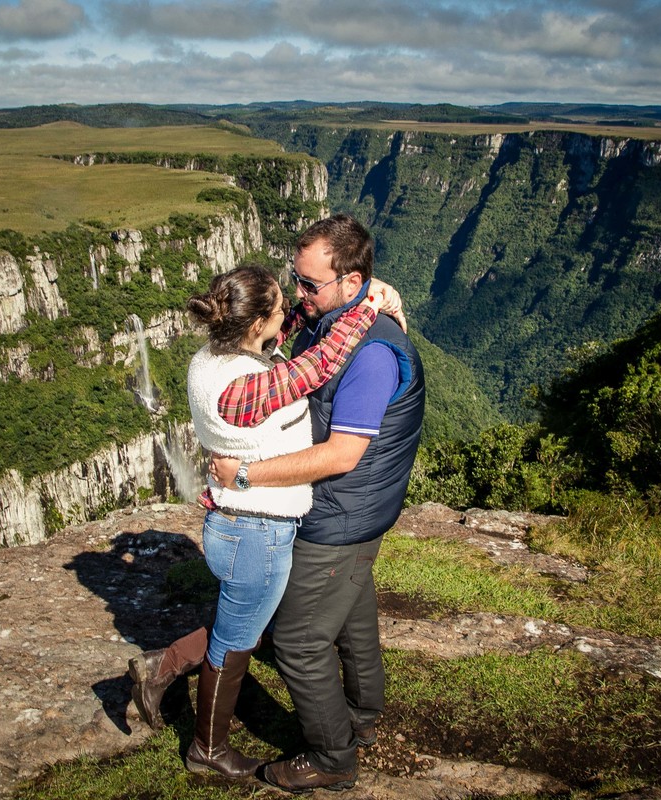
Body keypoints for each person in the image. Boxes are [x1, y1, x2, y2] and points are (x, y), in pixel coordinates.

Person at [126, 263, 399, 779]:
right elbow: (318, 366)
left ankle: (160, 668)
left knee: (248, 620)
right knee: (237, 638)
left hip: (242, 526)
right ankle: (207, 749)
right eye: (278, 308)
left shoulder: (217, 356)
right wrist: (367, 307)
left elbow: (292, 326)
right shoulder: (241, 389)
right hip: (256, 528)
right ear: (256, 324)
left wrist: (368, 291)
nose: (290, 312)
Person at [212, 214, 426, 793]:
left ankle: (333, 759)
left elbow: (341, 456)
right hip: (355, 512)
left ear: (351, 281)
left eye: (309, 285)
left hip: (339, 513)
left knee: (299, 642)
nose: (299, 295)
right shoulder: (336, 322)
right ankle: (361, 719)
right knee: (352, 621)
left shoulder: (372, 354)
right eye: (296, 280)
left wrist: (246, 475)